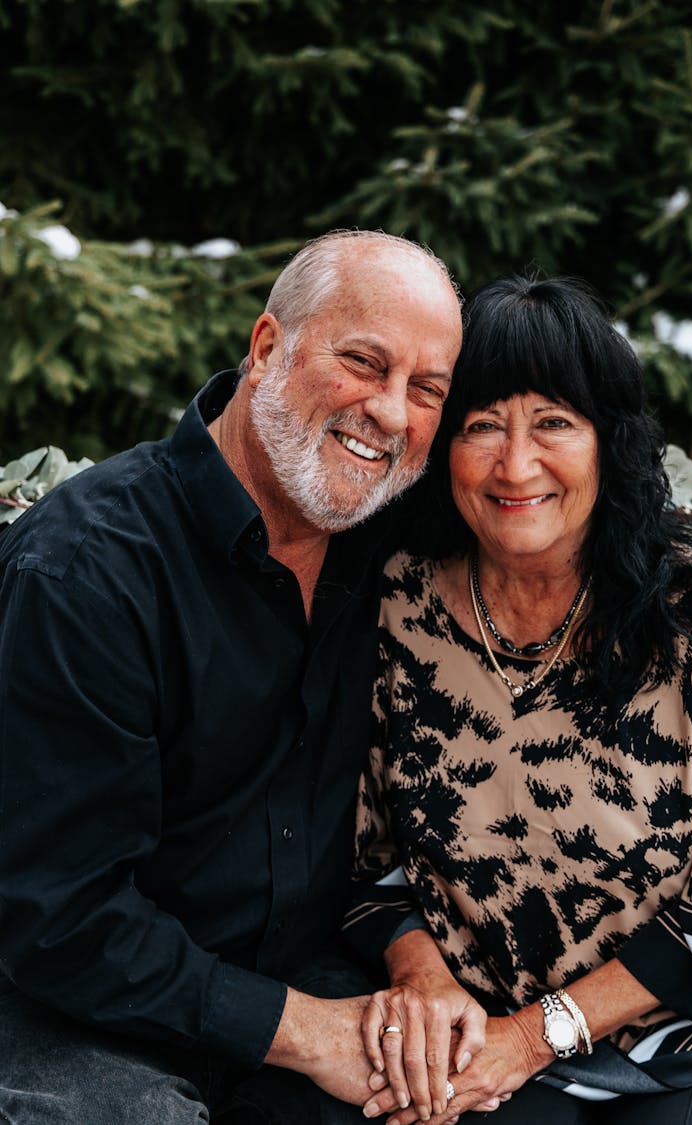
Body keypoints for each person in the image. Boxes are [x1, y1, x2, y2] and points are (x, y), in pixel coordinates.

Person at [0, 229, 466, 1124]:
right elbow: (59, 918)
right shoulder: (85, 572)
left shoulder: (387, 555)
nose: (393, 413)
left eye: (427, 390)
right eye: (364, 362)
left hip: (307, 985)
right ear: (266, 350)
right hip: (77, 1018)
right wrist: (304, 1031)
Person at [343, 275, 692, 1125]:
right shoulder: (397, 606)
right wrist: (422, 979)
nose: (516, 464)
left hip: (687, 1044)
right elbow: (365, 862)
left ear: (609, 441)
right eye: (482, 424)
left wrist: (533, 1037)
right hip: (473, 1040)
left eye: (554, 422)